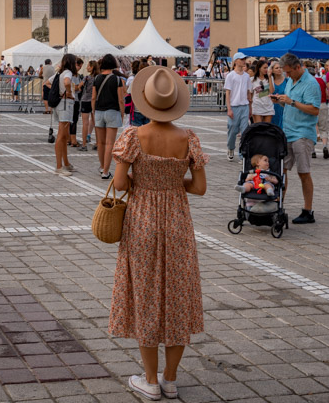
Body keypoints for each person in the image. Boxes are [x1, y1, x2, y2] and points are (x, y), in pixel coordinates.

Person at [109, 65, 208, 400]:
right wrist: (170, 182)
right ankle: (170, 378)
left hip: (142, 222)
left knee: (146, 295)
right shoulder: (188, 138)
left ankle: (149, 380)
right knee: (178, 296)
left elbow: (120, 182)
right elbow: (199, 189)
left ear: (145, 101)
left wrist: (147, 182)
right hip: (178, 221)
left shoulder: (134, 137)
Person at [274, 52, 321, 224]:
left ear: (298, 67)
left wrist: (292, 102)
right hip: (287, 131)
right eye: (285, 72)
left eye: (289, 72)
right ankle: (278, 207)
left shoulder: (310, 84)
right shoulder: (290, 81)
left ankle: (308, 211)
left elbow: (314, 109)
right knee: (282, 172)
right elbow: (289, 102)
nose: (287, 75)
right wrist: (280, 100)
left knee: (303, 172)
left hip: (303, 133)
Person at [93, 53, 126, 180]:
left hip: (99, 111)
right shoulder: (117, 79)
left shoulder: (96, 78)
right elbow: (121, 99)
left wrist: (93, 111)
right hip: (112, 111)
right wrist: (122, 114)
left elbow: (93, 97)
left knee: (100, 143)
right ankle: (106, 171)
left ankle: (102, 167)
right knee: (109, 143)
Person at [223, 52, 252, 161]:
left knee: (244, 131)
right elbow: (227, 93)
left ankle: (242, 154)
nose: (243, 61)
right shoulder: (231, 76)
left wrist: (250, 108)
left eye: (244, 59)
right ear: (235, 61)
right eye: (241, 59)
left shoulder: (247, 76)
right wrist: (229, 109)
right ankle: (230, 148)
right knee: (232, 130)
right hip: (234, 107)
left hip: (244, 106)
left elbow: (249, 92)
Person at [55, 53, 78, 176]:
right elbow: (67, 82)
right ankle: (59, 166)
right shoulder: (68, 73)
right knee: (61, 135)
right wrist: (68, 92)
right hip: (66, 104)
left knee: (63, 136)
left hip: (60, 104)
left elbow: (47, 82)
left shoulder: (61, 72)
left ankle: (66, 163)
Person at [80, 60, 98, 150]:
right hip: (96, 101)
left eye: (88, 66)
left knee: (85, 123)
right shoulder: (98, 78)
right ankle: (98, 143)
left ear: (92, 67)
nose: (87, 67)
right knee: (96, 122)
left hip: (86, 100)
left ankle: (84, 145)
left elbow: (80, 86)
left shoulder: (87, 78)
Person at [314, 70, 329, 159]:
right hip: (322, 104)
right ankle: (325, 146)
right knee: (324, 128)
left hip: (311, 106)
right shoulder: (321, 80)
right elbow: (327, 95)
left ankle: (313, 150)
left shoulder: (306, 82)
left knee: (312, 127)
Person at [269, 62, 287, 129]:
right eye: (277, 68)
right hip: (271, 107)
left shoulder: (287, 81)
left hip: (283, 107)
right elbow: (264, 93)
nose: (279, 69)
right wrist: (269, 77)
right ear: (272, 70)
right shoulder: (269, 81)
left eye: (280, 67)